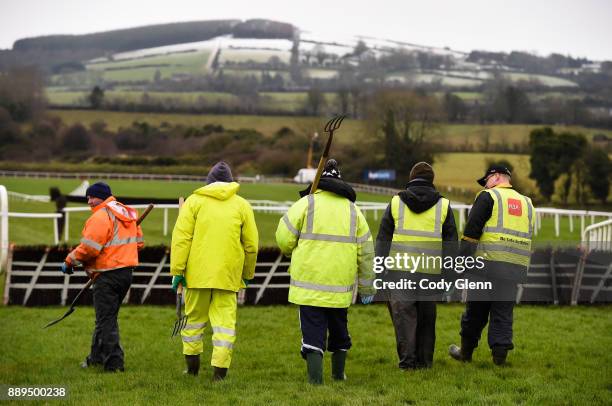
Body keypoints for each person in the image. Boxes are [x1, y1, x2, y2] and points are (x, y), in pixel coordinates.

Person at [276, 159, 376, 385]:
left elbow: (283, 241)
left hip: (308, 286)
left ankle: (315, 381)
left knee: (312, 333)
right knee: (340, 332)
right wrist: (367, 287)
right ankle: (339, 375)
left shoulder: (305, 204)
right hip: (340, 288)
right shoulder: (354, 211)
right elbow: (367, 254)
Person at [170, 161, 258, 380]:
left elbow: (181, 240)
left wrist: (177, 271)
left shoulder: (194, 202)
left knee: (193, 322)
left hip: (195, 275)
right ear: (230, 181)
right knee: (224, 327)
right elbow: (251, 246)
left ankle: (192, 370)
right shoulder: (242, 205)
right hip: (228, 275)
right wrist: (246, 274)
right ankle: (219, 374)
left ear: (208, 182)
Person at [448, 165, 535, 365]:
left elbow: (471, 233)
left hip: (486, 265)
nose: (485, 185)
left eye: (486, 180)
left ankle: (466, 353)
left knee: (475, 310)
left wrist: (461, 263)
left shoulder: (488, 197)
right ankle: (499, 358)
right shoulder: (528, 203)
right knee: (503, 312)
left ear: (495, 177)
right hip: (514, 267)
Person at [375, 162, 458, 370]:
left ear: (411, 179)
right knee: (427, 319)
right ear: (432, 181)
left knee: (404, 318)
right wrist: (449, 277)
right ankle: (425, 363)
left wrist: (379, 271)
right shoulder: (444, 206)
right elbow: (451, 246)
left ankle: (407, 364)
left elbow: (383, 240)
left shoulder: (395, 203)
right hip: (430, 272)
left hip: (400, 271)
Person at [61, 182, 144, 372]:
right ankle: (96, 358)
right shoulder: (127, 213)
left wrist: (68, 261)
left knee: (106, 320)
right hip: (125, 273)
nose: (89, 201)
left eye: (92, 197)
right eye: (87, 198)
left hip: (106, 275)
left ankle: (114, 364)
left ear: (103, 196)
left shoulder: (100, 216)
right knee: (106, 318)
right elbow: (139, 244)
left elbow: (89, 248)